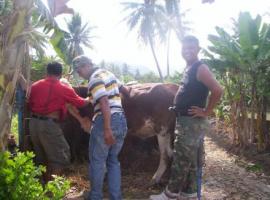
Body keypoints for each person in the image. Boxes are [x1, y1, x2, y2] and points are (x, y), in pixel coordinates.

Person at [150, 35, 223, 200]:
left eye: (191, 48)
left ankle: (170, 194)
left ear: (198, 49)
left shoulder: (200, 68)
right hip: (185, 120)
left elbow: (218, 90)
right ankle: (188, 193)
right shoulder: (189, 67)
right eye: (184, 48)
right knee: (190, 159)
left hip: (191, 122)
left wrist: (206, 111)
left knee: (181, 158)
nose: (187, 51)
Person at [72, 55, 128, 200]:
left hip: (105, 120)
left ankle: (95, 196)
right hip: (121, 119)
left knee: (97, 161)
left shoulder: (94, 78)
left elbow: (103, 101)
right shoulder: (109, 74)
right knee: (113, 160)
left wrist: (107, 128)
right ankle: (116, 197)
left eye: (78, 70)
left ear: (86, 66)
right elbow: (125, 91)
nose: (79, 74)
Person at [28, 62, 89, 180]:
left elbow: (30, 104)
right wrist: (90, 98)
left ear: (47, 72)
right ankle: (53, 190)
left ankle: (41, 187)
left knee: (40, 156)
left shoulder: (35, 85)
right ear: (60, 74)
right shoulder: (63, 88)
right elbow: (81, 103)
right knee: (61, 155)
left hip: (33, 123)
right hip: (49, 125)